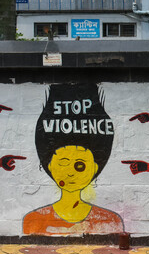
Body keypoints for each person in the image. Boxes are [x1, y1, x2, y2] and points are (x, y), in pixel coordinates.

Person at [23, 83, 124, 235]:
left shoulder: (110, 221)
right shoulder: (34, 220)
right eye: (63, 164)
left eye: (80, 166)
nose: (70, 173)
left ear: (95, 169)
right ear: (50, 166)